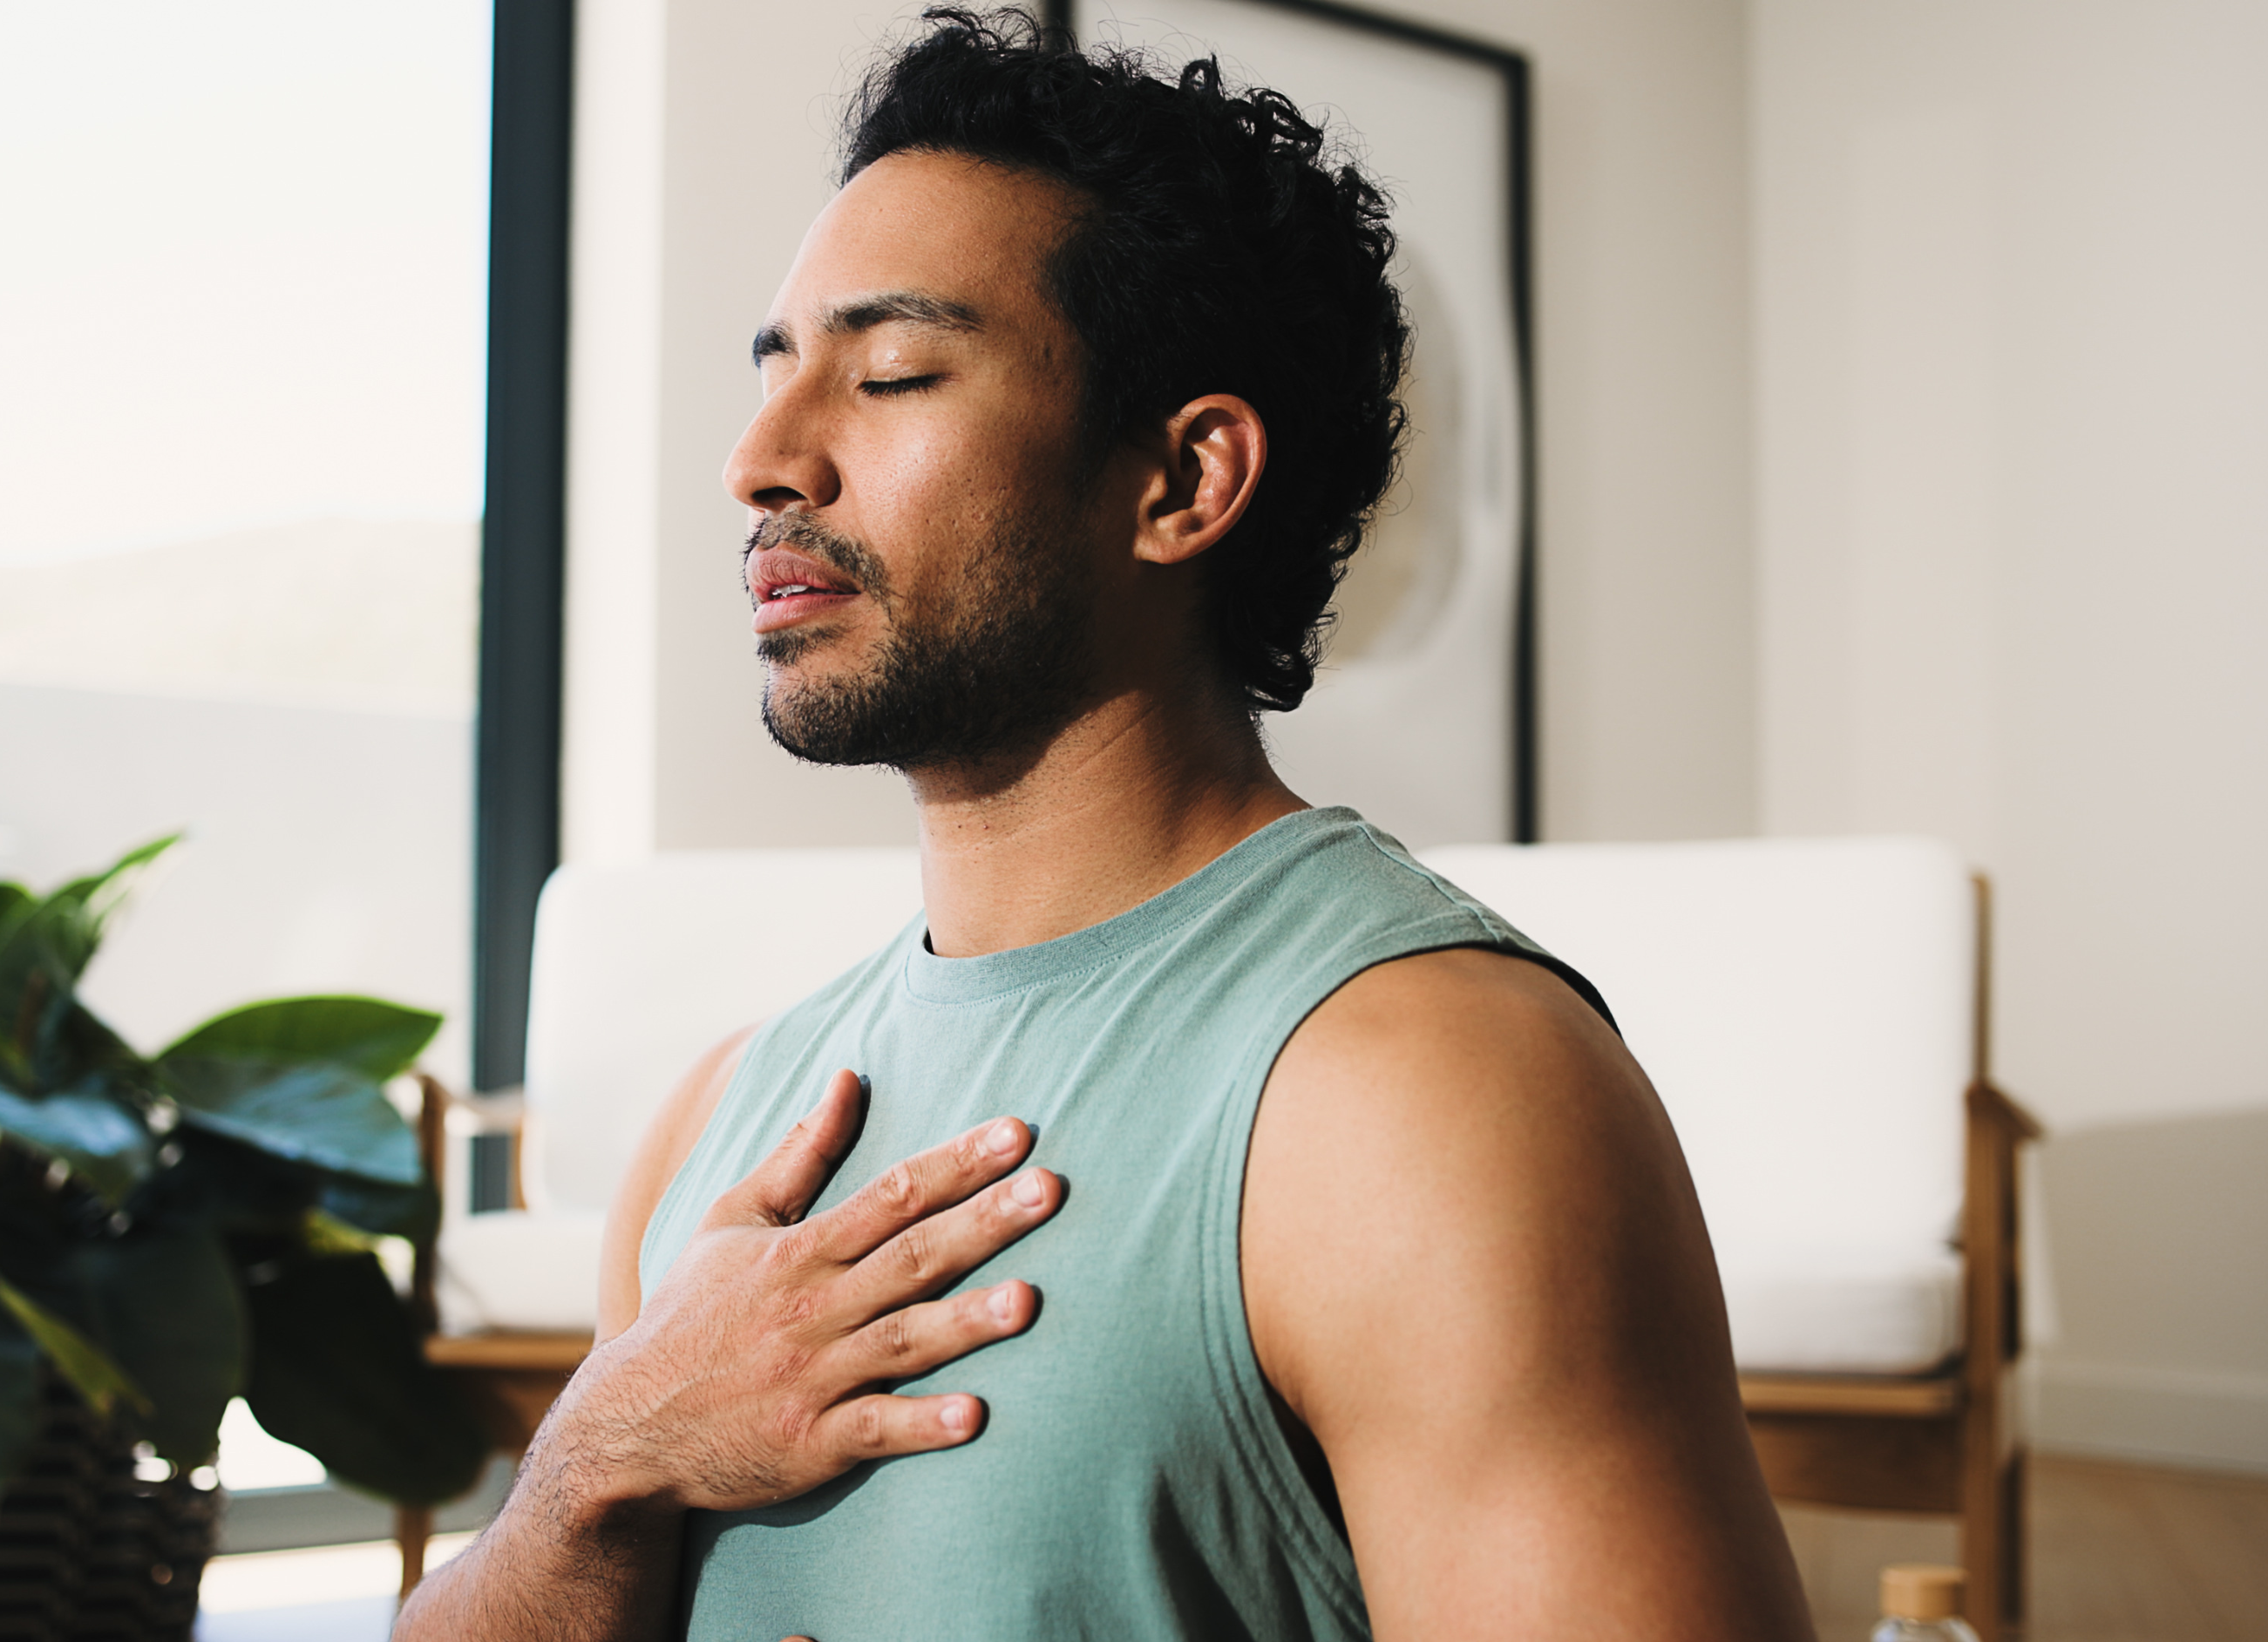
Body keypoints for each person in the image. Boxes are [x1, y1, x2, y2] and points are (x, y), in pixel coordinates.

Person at [400, 11, 1810, 1638]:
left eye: (894, 372)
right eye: (776, 372)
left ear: (1183, 482)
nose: (761, 461)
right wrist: (599, 1461)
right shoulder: (717, 1121)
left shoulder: (1431, 1101)